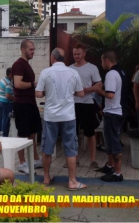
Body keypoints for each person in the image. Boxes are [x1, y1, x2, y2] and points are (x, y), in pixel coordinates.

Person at [36, 48, 87, 190]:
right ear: (64, 58)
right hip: (68, 116)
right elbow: (81, 93)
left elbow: (38, 93)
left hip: (50, 116)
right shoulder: (73, 72)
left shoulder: (45, 72)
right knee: (70, 148)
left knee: (47, 148)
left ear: (53, 58)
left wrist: (47, 91)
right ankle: (72, 181)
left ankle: (46, 178)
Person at [95, 51, 128, 182]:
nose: (101, 63)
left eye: (102, 61)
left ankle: (118, 173)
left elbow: (110, 95)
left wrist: (98, 90)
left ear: (107, 61)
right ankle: (110, 166)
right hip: (118, 111)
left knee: (114, 142)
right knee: (109, 140)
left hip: (113, 112)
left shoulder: (111, 74)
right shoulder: (122, 72)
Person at [69, 44, 102, 169]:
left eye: (78, 54)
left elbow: (99, 85)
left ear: (84, 54)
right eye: (74, 54)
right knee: (73, 133)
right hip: (73, 104)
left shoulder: (92, 68)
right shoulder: (69, 69)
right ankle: (74, 160)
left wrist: (85, 90)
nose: (76, 56)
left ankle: (92, 160)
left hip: (88, 104)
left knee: (90, 133)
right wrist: (83, 91)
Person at [12, 39, 43, 174]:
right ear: (23, 49)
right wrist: (33, 84)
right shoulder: (18, 64)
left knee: (33, 132)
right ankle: (22, 163)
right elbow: (18, 84)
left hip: (30, 103)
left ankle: (35, 158)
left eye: (34, 49)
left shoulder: (27, 65)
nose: (33, 52)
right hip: (22, 105)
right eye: (31, 49)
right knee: (23, 134)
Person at [0, 67, 14, 137]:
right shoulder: (8, 83)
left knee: (1, 119)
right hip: (6, 103)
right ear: (10, 74)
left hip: (0, 101)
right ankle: (4, 136)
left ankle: (0, 134)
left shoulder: (2, 79)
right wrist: (15, 99)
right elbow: (8, 95)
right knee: (6, 121)